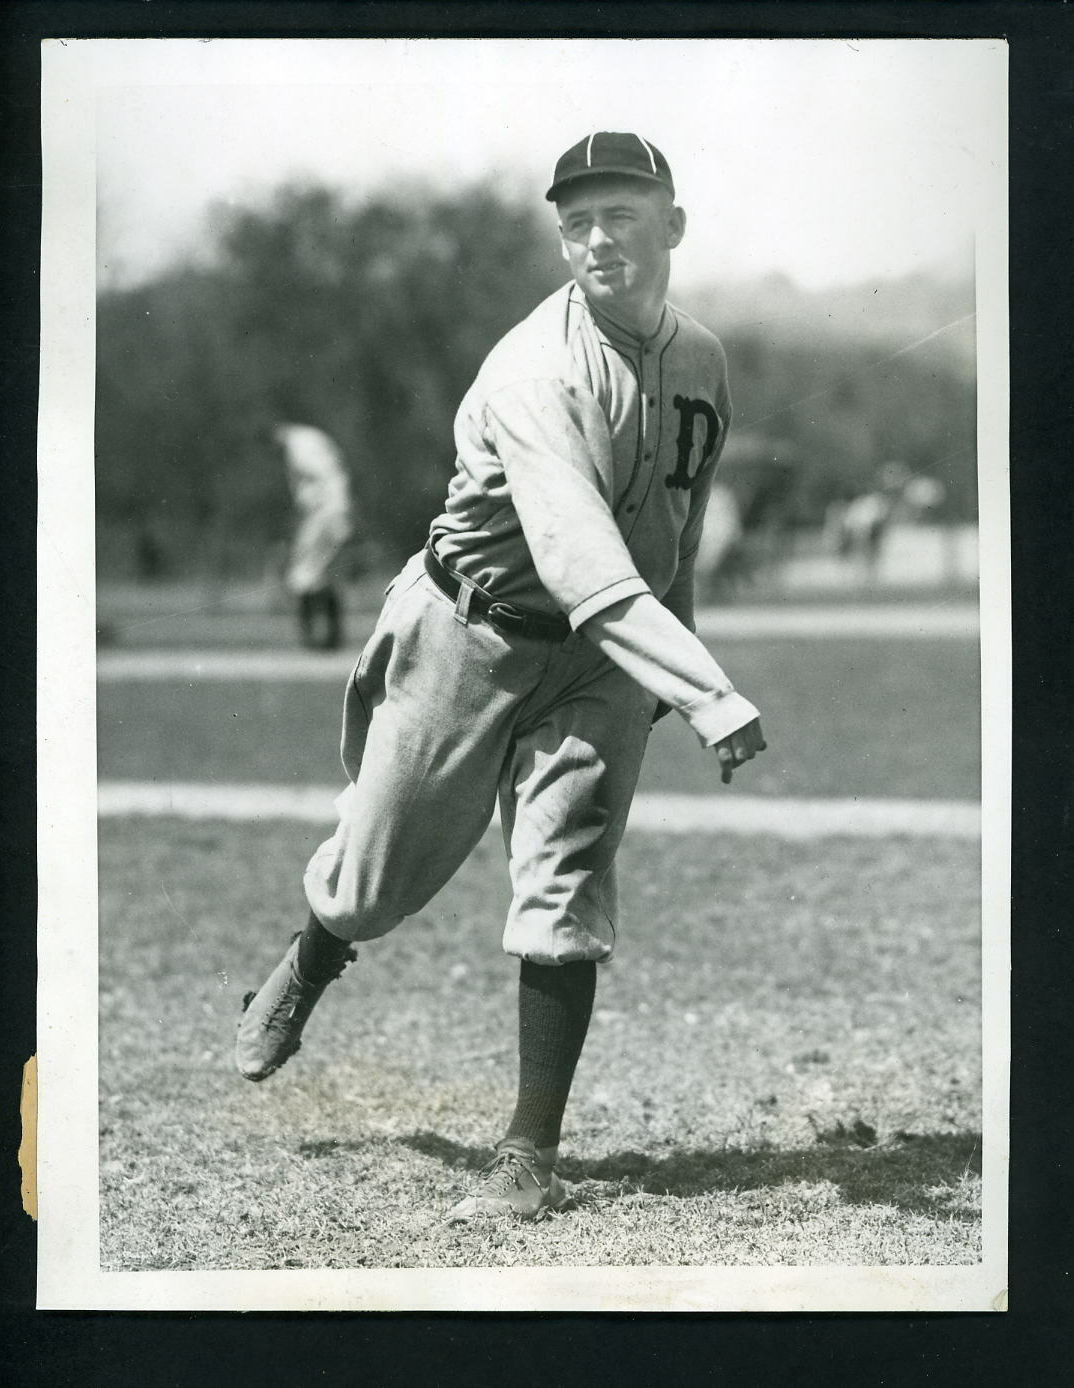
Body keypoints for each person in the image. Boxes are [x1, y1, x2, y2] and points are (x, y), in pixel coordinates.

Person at [236, 132, 766, 1223]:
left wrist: (673, 655)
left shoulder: (703, 359)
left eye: (620, 212)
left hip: (600, 654)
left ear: (673, 224)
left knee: (566, 875)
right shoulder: (536, 365)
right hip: (467, 627)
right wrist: (709, 687)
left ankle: (528, 1151)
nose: (594, 237)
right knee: (373, 881)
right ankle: (311, 954)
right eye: (574, 219)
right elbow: (578, 558)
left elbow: (673, 531)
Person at [277, 422, 354, 649]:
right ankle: (330, 638)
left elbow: (325, 478)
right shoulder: (310, 439)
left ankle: (314, 639)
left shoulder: (299, 446)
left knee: (303, 576)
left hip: (324, 513)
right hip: (332, 511)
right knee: (321, 576)